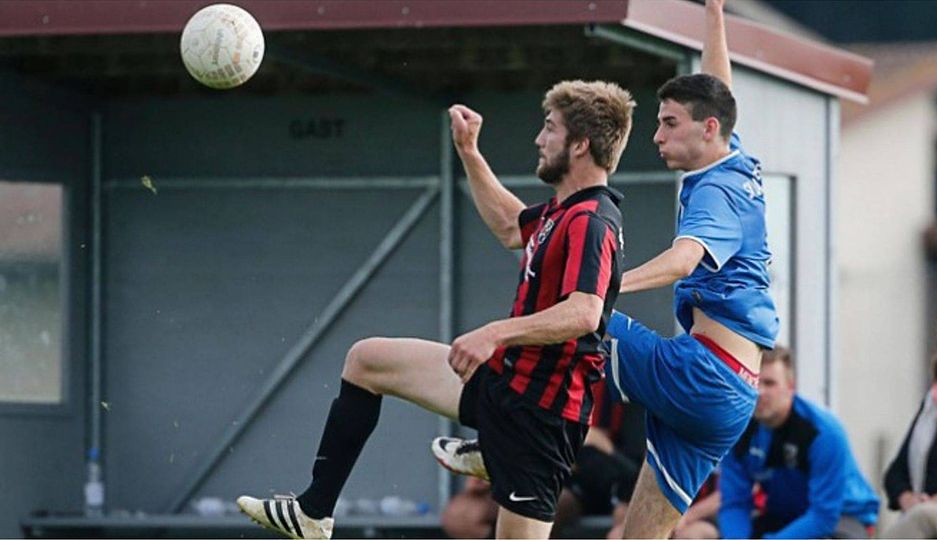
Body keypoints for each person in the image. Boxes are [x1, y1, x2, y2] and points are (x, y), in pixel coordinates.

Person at [236, 80, 636, 540]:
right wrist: (469, 151)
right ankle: (313, 512)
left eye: (549, 129)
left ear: (580, 144)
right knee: (367, 360)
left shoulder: (591, 221)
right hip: (505, 389)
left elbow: (585, 313)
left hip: (540, 419)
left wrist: (495, 334)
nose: (538, 140)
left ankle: (497, 449)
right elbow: (510, 225)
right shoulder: (561, 212)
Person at [433, 1, 775, 537]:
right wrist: (714, 13)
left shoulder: (718, 194)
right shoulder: (733, 157)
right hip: (729, 395)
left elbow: (685, 259)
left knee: (572, 318)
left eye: (668, 124)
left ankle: (504, 441)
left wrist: (604, 289)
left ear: (707, 130)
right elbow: (717, 89)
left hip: (700, 373)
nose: (657, 137)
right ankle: (509, 439)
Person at [440, 382, 643, 539]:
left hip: (588, 475)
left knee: (536, 504)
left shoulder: (593, 367)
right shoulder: (517, 369)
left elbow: (598, 442)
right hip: (526, 466)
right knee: (460, 515)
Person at [718, 346, 879, 539]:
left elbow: (823, 516)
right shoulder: (737, 430)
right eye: (754, 382)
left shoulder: (823, 432)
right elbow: (735, 504)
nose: (760, 392)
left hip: (842, 516)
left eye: (769, 383)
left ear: (790, 387)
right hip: (787, 514)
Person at [881, 300, 937, 539]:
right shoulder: (934, 401)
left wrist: (930, 504)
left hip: (935, 515)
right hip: (926, 514)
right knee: (920, 519)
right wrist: (908, 499)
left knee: (922, 519)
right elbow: (895, 474)